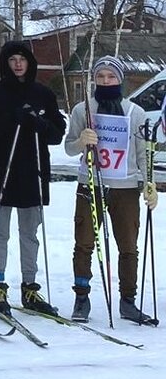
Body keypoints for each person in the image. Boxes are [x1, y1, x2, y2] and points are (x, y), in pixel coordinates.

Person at [0, 39, 66, 315]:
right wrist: (11, 119)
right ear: (5, 63)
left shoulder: (43, 94)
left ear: (30, 62)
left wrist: (38, 123)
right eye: (12, 60)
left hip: (33, 172)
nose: (18, 64)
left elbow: (56, 133)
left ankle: (30, 286)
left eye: (22, 59)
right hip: (1, 171)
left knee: (30, 233)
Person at [63, 55, 157, 323]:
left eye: (111, 76)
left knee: (128, 244)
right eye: (100, 76)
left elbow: (142, 154)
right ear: (94, 79)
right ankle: (81, 298)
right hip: (90, 182)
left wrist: (148, 184)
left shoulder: (133, 112)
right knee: (84, 242)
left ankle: (128, 299)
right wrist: (81, 141)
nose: (105, 81)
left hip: (124, 186)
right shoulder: (83, 110)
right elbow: (69, 148)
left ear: (120, 79)